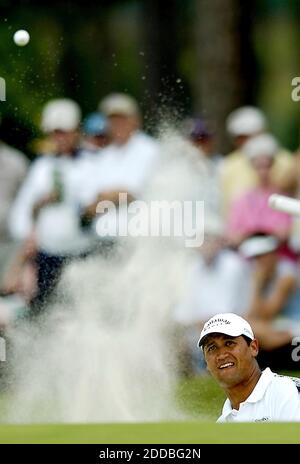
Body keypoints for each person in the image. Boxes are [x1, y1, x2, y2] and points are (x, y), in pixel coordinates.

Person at [197, 312, 300, 422]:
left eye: (229, 343)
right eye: (212, 348)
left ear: (253, 347)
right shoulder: (222, 423)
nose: (221, 355)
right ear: (206, 363)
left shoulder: (288, 391)